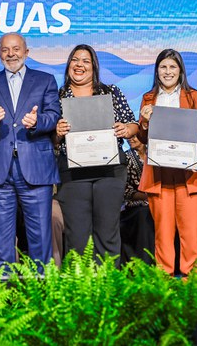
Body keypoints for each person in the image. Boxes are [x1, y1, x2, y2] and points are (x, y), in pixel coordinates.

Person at [0, 33, 61, 272]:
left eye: (16, 49)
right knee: (1, 243)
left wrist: (38, 121)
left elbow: (54, 116)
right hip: (0, 170)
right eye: (5, 50)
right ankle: (2, 301)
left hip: (36, 167)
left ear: (27, 51)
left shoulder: (45, 80)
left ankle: (40, 299)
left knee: (40, 240)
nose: (11, 54)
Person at [53, 44, 139, 265]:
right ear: (69, 64)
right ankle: (80, 289)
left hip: (109, 171)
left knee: (107, 232)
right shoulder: (57, 96)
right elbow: (49, 140)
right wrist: (58, 133)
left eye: (85, 61)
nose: (79, 65)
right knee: (77, 235)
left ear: (94, 67)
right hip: (73, 173)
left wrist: (125, 129)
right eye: (75, 59)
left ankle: (108, 287)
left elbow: (133, 124)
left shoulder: (110, 92)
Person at [137, 49, 197, 276]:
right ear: (157, 70)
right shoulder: (148, 98)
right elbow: (141, 138)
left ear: (180, 71)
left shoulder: (192, 96)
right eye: (163, 67)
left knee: (190, 235)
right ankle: (164, 282)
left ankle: (192, 285)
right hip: (160, 175)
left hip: (190, 175)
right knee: (163, 234)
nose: (167, 72)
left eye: (172, 67)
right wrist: (145, 122)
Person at [120, 135, 155, 265]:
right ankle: (145, 265)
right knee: (144, 214)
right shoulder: (126, 157)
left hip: (158, 202)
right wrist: (147, 196)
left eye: (135, 136)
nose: (131, 139)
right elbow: (125, 191)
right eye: (129, 137)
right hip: (134, 207)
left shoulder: (155, 154)